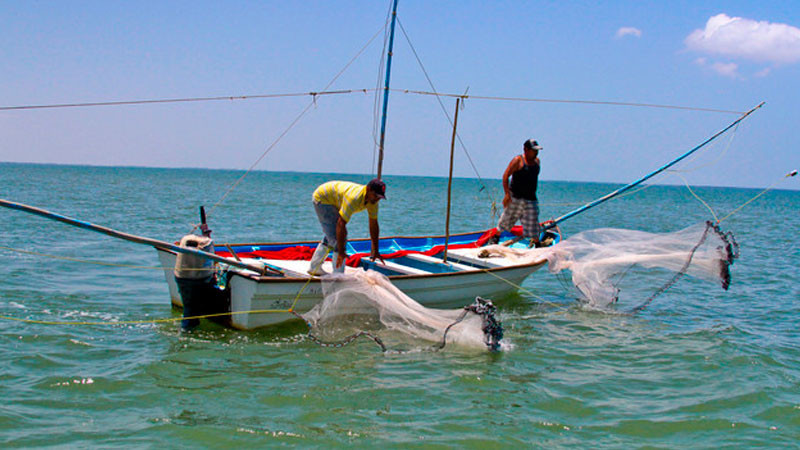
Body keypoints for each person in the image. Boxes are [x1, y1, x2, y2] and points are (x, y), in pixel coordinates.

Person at [308, 179, 386, 275]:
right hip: (323, 198)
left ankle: (314, 267)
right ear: (368, 189)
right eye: (375, 196)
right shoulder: (354, 198)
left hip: (335, 200)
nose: (376, 199)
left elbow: (373, 225)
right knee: (338, 238)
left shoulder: (373, 202)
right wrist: (341, 251)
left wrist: (376, 250)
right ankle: (338, 274)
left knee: (332, 235)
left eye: (379, 197)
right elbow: (341, 224)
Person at [488, 138, 544, 247]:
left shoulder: (537, 162)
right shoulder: (518, 161)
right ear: (526, 149)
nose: (536, 152)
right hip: (516, 197)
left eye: (537, 150)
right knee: (506, 220)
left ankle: (537, 243)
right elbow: (505, 176)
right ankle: (495, 237)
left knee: (533, 223)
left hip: (531, 198)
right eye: (534, 150)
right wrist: (507, 195)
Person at [173, 223, 229, 331]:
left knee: (189, 308)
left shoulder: (187, 241)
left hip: (183, 279)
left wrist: (205, 234)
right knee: (190, 311)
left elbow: (207, 249)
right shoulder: (205, 244)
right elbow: (211, 254)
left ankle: (188, 327)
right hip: (198, 281)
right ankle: (187, 330)